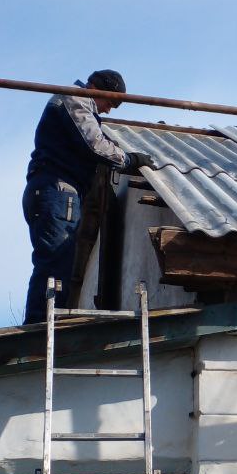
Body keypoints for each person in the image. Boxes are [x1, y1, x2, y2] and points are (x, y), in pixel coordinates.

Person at [21, 68, 149, 324]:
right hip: (57, 190)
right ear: (101, 89)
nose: (109, 111)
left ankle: (43, 322)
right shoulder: (76, 99)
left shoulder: (73, 103)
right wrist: (129, 159)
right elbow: (96, 145)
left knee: (57, 261)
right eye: (111, 103)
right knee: (56, 259)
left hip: (50, 190)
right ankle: (40, 327)